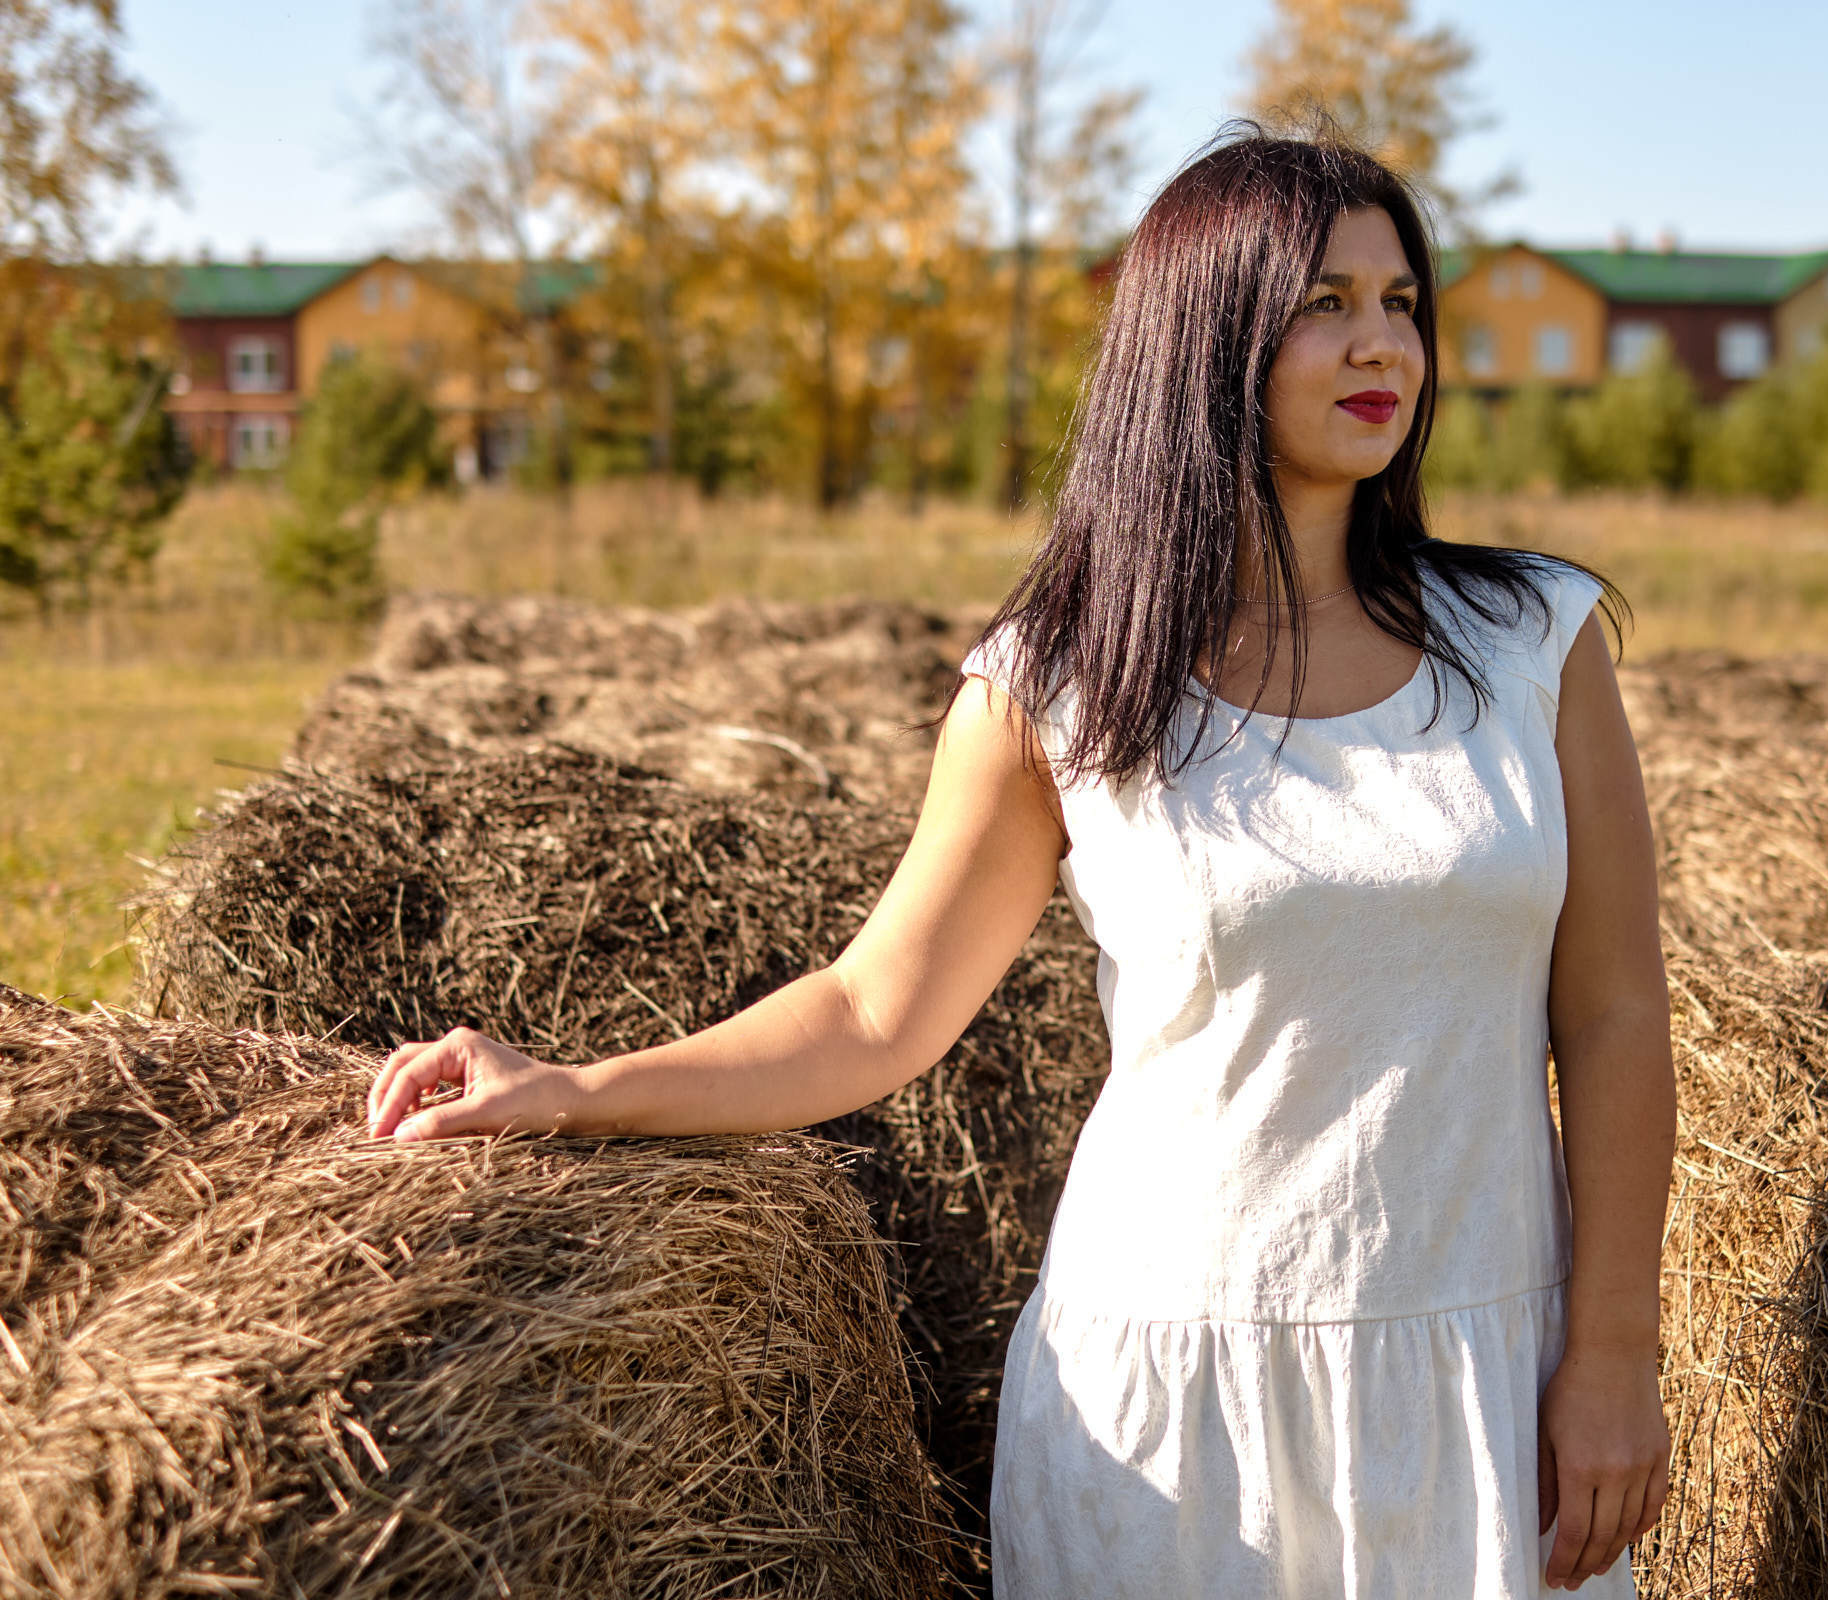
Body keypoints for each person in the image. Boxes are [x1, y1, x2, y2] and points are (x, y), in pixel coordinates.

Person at [363, 124, 1676, 1598]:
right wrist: (579, 1095)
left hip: (1483, 1375)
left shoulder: (1532, 642)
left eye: (1399, 301)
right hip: (1172, 1395)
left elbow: (1616, 1015)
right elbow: (876, 1012)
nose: (1381, 344)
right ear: (1204, 337)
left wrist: (1610, 1350)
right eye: (1322, 303)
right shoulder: (1058, 683)